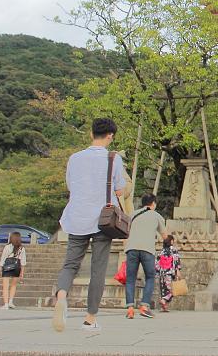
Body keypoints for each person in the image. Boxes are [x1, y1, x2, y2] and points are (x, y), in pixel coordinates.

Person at [54, 117, 126, 333]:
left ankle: (61, 296)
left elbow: (70, 185)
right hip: (102, 220)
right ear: (110, 136)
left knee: (70, 264)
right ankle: (90, 318)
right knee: (98, 269)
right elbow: (120, 189)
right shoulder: (113, 158)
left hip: (76, 217)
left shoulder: (74, 158)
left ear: (91, 133)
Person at [124, 193, 167, 319]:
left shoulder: (133, 215)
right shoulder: (157, 216)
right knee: (150, 277)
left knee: (130, 278)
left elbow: (126, 231)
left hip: (131, 249)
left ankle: (130, 309)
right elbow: (165, 236)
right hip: (147, 249)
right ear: (153, 203)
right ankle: (144, 306)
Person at [0, 232, 26, 310]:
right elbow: (23, 261)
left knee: (5, 287)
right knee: (14, 285)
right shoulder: (22, 248)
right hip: (17, 266)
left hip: (7, 266)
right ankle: (11, 302)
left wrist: (0, 269)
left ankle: (6, 304)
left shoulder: (7, 247)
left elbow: (3, 258)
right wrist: (22, 272)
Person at [155, 236, 181, 312]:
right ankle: (163, 300)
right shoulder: (174, 250)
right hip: (169, 273)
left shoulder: (161, 251)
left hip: (162, 273)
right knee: (172, 290)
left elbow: (156, 263)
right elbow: (176, 261)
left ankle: (164, 307)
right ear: (171, 241)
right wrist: (178, 270)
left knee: (163, 290)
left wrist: (157, 272)